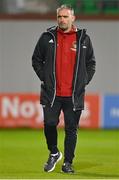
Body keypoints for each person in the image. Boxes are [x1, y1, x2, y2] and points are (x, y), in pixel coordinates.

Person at [32, 4, 96, 173]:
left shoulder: (83, 39)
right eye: (59, 16)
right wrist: (45, 78)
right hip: (52, 93)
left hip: (74, 94)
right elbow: (36, 59)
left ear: (73, 18)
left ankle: (68, 162)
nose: (62, 20)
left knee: (71, 130)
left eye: (65, 16)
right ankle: (54, 152)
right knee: (49, 124)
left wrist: (84, 81)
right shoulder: (47, 37)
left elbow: (91, 64)